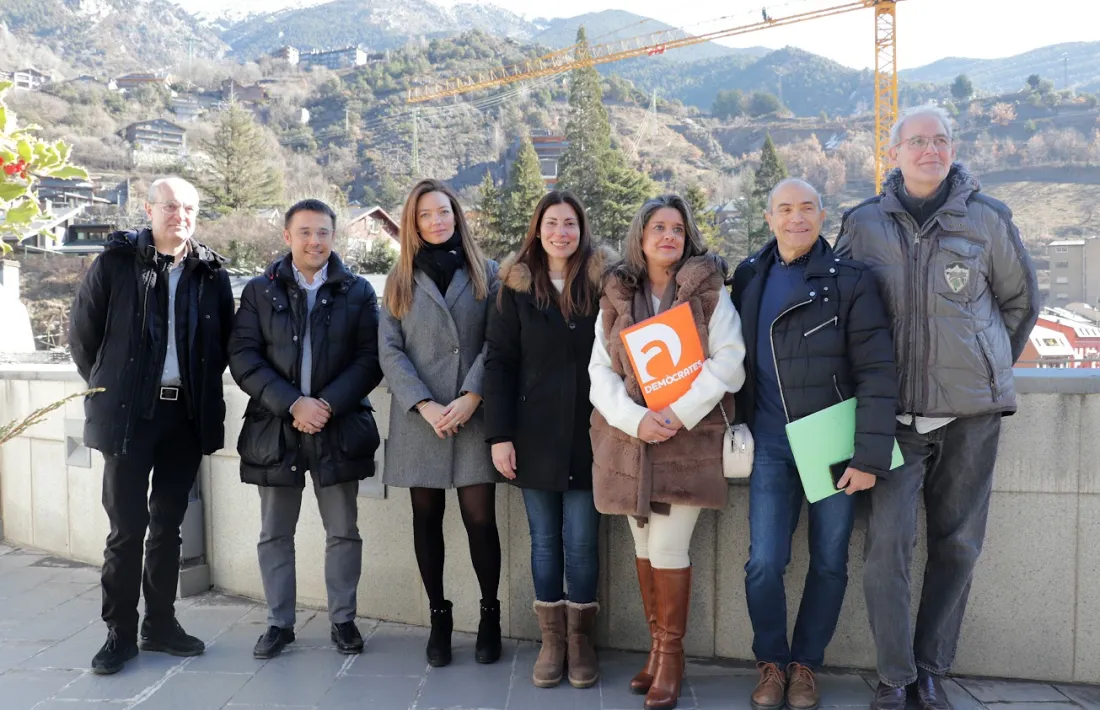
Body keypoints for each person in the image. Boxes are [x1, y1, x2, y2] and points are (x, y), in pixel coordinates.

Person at [834, 105, 1039, 710]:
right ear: (894, 153)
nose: (931, 150)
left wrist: (984, 366)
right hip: (893, 420)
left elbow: (1020, 303)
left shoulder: (988, 218)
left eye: (941, 140)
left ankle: (930, 670)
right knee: (885, 551)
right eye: (918, 141)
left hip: (971, 418)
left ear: (954, 148)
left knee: (958, 545)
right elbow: (842, 310)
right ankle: (894, 676)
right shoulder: (862, 223)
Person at [730, 178, 897, 710]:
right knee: (764, 562)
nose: (796, 217)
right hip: (770, 443)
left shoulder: (852, 279)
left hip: (832, 442)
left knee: (828, 561)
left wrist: (869, 455)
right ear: (769, 217)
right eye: (785, 209)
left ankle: (805, 665)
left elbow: (877, 371)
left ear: (823, 217)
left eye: (807, 208)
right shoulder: (749, 276)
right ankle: (771, 662)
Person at [69, 177, 234, 675]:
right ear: (149, 209)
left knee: (168, 526)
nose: (179, 215)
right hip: (130, 416)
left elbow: (223, 344)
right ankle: (119, 632)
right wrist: (115, 390)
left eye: (189, 208)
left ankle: (160, 623)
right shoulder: (116, 263)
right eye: (170, 206)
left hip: (184, 416)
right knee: (126, 529)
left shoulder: (210, 273)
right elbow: (84, 338)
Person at [589, 194, 746, 710]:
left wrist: (678, 413)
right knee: (642, 547)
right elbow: (599, 371)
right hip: (631, 444)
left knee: (667, 548)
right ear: (641, 235)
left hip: (688, 443)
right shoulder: (616, 295)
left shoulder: (708, 293)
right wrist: (635, 419)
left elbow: (730, 362)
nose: (669, 236)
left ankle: (671, 658)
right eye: (658, 227)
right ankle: (656, 651)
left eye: (677, 228)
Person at [228, 198, 382, 660]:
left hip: (338, 426)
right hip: (277, 428)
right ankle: (279, 624)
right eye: (306, 232)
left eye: (323, 232)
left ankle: (343, 620)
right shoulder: (259, 291)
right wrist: (293, 403)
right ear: (287, 236)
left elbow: (370, 359)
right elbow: (243, 357)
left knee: (344, 530)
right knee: (275, 532)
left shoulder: (358, 291)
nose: (315, 241)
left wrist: (326, 405)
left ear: (334, 237)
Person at [484, 191, 615, 689]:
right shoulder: (513, 289)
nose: (561, 232)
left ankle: (580, 641)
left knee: (581, 542)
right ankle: (552, 641)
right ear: (537, 230)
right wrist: (500, 436)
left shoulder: (604, 285)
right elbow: (499, 364)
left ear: (582, 230)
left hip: (590, 432)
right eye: (552, 223)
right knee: (543, 541)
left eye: (570, 223)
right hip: (532, 434)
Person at [379, 178, 502, 668]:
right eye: (425, 214)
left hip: (473, 413)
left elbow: (498, 342)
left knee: (480, 519)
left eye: (444, 212)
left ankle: (489, 615)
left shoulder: (487, 272)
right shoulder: (398, 278)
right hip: (420, 419)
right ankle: (439, 617)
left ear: (457, 215)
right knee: (426, 518)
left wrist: (472, 395)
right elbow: (389, 351)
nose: (436, 221)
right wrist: (424, 404)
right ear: (413, 222)